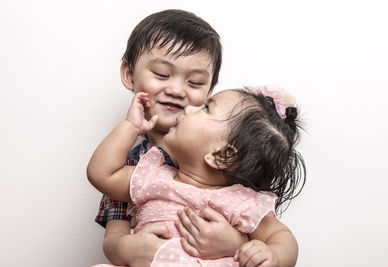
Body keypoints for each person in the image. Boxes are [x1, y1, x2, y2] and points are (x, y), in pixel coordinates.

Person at [93, 9, 250, 266]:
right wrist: (128, 247)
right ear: (130, 75)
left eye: (195, 82)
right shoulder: (126, 162)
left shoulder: (224, 152)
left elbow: (264, 230)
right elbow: (113, 238)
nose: (176, 90)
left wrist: (237, 243)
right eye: (162, 75)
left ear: (210, 90)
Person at [87, 85, 306, 266]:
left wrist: (273, 257)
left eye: (205, 109)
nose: (190, 108)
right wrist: (130, 127)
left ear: (222, 155)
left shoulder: (241, 200)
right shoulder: (153, 175)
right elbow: (102, 174)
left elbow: (282, 237)